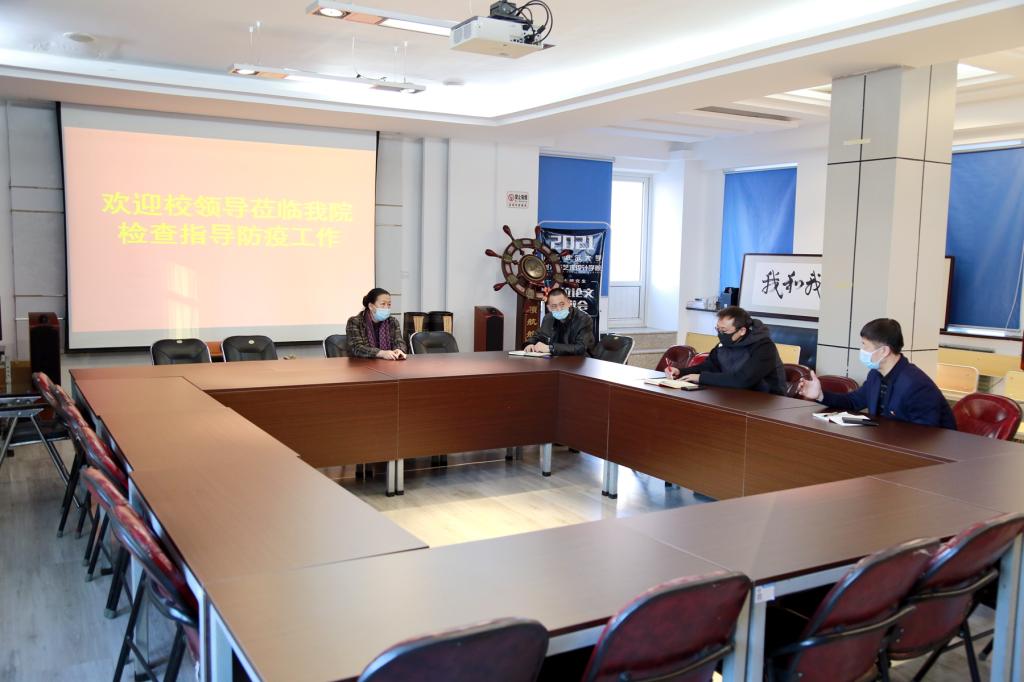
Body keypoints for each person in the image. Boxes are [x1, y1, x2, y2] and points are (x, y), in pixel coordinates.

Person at [798, 318, 956, 429]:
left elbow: (926, 433)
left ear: (884, 351)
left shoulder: (916, 384)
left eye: (865, 346)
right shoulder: (876, 374)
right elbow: (854, 401)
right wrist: (820, 395)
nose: (862, 351)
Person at [665, 306, 787, 394]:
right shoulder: (725, 343)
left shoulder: (764, 347)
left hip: (767, 401)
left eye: (724, 331)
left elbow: (743, 380)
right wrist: (680, 372)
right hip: (734, 395)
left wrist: (700, 378)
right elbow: (708, 366)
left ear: (742, 331)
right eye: (718, 329)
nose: (720, 334)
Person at [523, 288, 595, 356]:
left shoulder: (583, 319)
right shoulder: (548, 318)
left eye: (562, 304)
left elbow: (581, 348)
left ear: (569, 303)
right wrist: (529, 344)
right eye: (554, 306)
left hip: (579, 361)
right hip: (554, 360)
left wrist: (550, 348)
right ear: (549, 308)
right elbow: (538, 336)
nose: (559, 309)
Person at [346, 288, 407, 360]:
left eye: (389, 304)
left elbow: (399, 341)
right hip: (362, 364)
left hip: (388, 364)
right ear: (371, 306)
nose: (387, 307)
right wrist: (381, 353)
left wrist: (399, 350)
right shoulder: (355, 322)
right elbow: (357, 348)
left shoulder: (392, 321)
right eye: (383, 304)